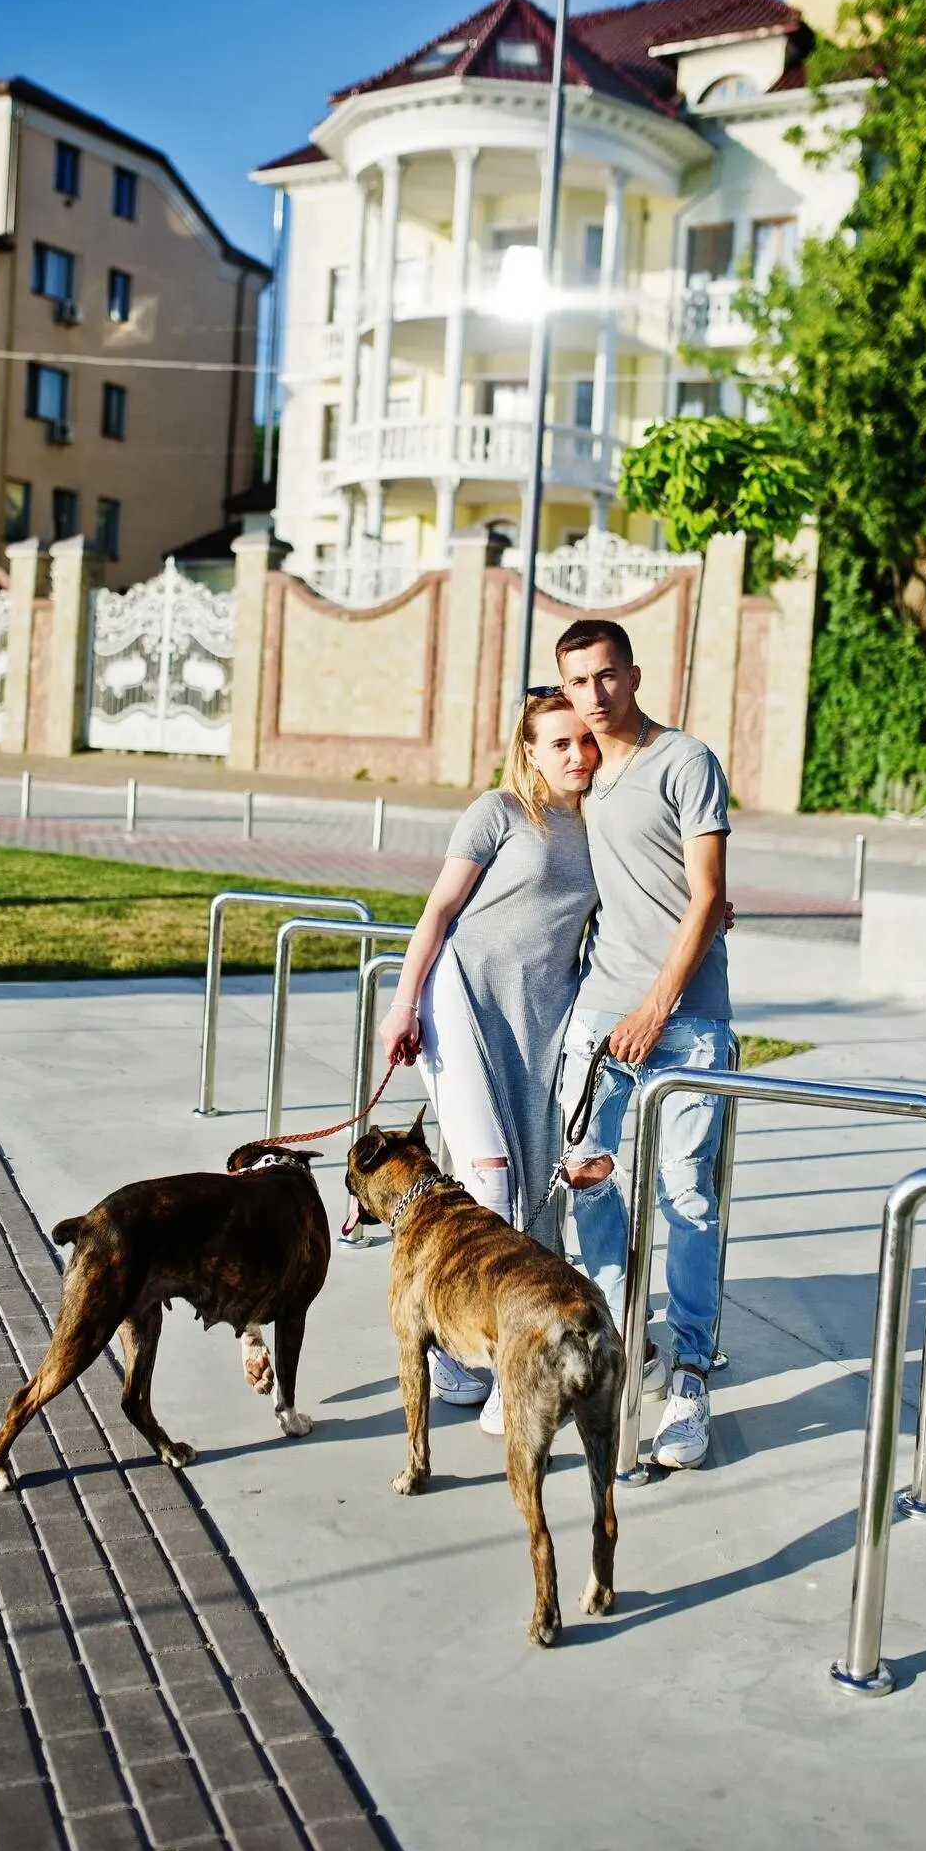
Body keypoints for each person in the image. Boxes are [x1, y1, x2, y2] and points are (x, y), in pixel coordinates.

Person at [378, 691, 599, 1435]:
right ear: (529, 749)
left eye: (584, 743)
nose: (576, 756)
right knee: (492, 1182)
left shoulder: (600, 822)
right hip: (465, 1002)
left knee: (536, 1194)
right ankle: (512, 1370)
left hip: (540, 1023)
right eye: (559, 743)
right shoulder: (498, 812)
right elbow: (438, 912)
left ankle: (448, 1353)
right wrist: (403, 1003)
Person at [555, 616, 733, 1471]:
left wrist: (655, 1007)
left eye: (605, 676)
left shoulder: (685, 761)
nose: (594, 695)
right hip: (599, 1017)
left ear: (632, 673)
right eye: (577, 681)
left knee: (687, 1196)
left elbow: (706, 896)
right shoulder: (582, 771)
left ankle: (691, 1368)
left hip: (685, 1021)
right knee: (584, 1174)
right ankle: (628, 1341)